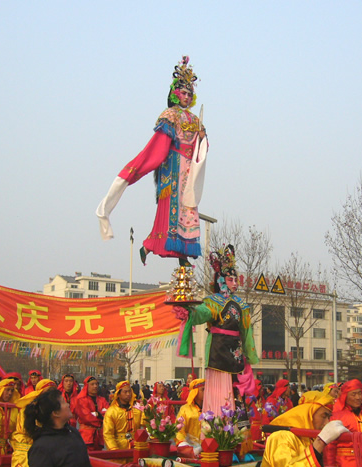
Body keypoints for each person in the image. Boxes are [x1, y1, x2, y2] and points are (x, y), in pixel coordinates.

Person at [96, 56, 208, 265]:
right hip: (173, 167)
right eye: (183, 92)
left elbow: (200, 148)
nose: (186, 96)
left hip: (189, 171)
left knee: (188, 210)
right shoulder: (170, 115)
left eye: (189, 94)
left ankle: (177, 251)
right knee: (171, 213)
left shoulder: (194, 120)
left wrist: (202, 139)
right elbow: (160, 144)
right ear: (175, 94)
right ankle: (156, 247)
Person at [179, 245, 259, 415]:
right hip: (218, 351)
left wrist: (249, 357)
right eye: (230, 280)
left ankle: (235, 426)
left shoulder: (242, 305)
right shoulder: (213, 302)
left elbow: (247, 333)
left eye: (236, 280)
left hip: (236, 353)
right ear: (220, 281)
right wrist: (190, 310)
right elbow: (202, 314)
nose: (235, 284)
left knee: (236, 392)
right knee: (219, 391)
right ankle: (216, 423)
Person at [258, 393, 349, 467]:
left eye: (328, 417)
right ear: (309, 414)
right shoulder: (281, 437)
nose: (327, 422)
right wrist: (320, 442)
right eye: (323, 416)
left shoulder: (306, 438)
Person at [26, 387, 100, 467]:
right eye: (63, 402)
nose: (68, 405)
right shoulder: (41, 448)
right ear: (55, 413)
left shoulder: (73, 433)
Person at [11, 378, 56, 467]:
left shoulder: (53, 410)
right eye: (48, 392)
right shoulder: (28, 410)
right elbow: (29, 430)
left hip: (44, 456)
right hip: (26, 456)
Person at [103, 381, 143, 467]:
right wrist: (114, 450)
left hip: (135, 447)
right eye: (125, 392)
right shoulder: (112, 411)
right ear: (118, 394)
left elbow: (147, 424)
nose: (128, 394)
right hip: (118, 447)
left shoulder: (137, 410)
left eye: (129, 391)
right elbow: (108, 434)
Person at [75, 375, 110, 451]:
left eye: (96, 384)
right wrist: (101, 419)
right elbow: (86, 417)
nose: (95, 386)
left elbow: (109, 413)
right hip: (86, 437)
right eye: (92, 384)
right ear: (87, 386)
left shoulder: (102, 400)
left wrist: (98, 415)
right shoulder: (81, 400)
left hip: (99, 437)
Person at [175, 378, 204, 458]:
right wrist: (183, 443)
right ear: (196, 392)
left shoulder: (209, 408)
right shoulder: (185, 409)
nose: (206, 392)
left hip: (207, 447)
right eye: (203, 390)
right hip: (190, 446)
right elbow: (179, 431)